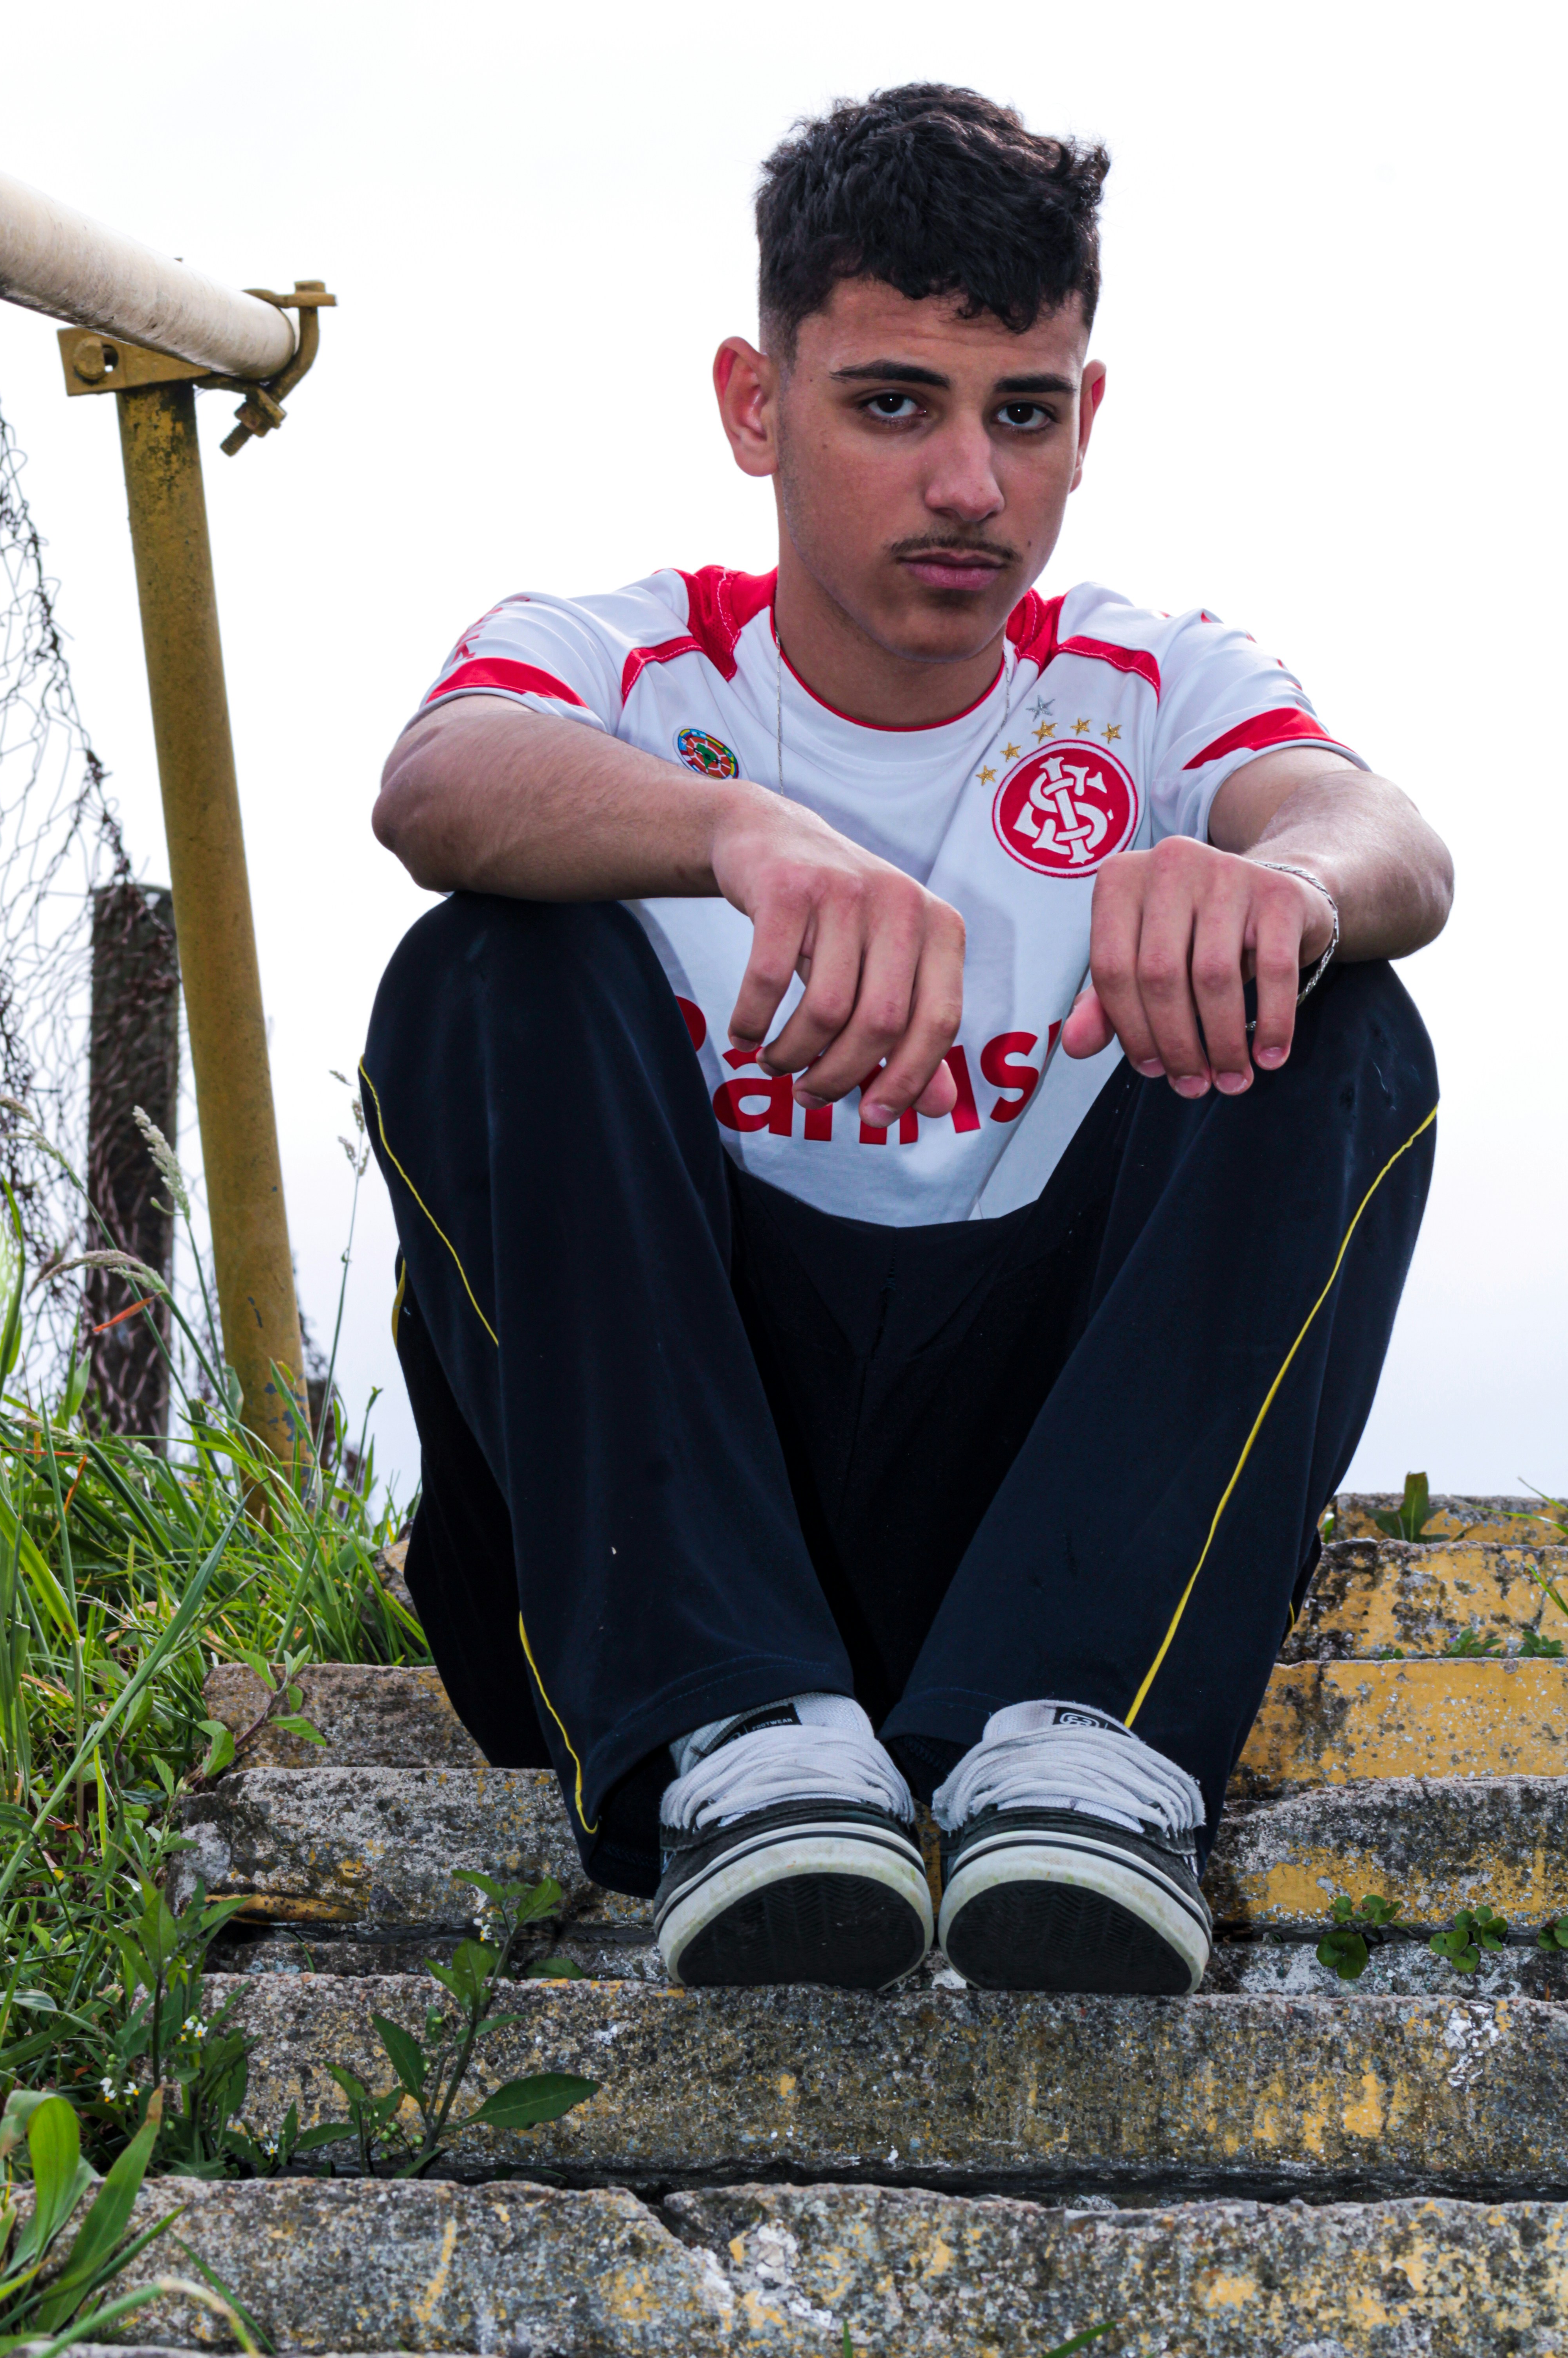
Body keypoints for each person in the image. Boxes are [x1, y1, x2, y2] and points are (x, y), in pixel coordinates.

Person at [364, 84, 1451, 2000]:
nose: (969, 482)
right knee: (486, 962)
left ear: (1084, 424)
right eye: (893, 404)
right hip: (653, 1520)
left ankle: (1079, 1743)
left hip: (1030, 1514)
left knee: (1341, 1004)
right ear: (753, 404)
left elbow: (1385, 837)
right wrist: (735, 833)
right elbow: (437, 783)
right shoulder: (623, 659)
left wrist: (1274, 886)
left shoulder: (1151, 679)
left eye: (1020, 412)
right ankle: (737, 1733)